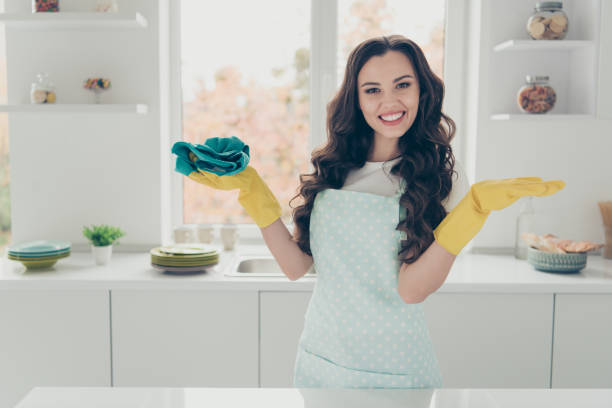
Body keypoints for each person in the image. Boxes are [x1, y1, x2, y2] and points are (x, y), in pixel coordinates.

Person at [179, 35, 565, 388]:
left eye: (402, 85)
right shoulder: (335, 166)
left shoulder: (441, 176)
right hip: (321, 359)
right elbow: (297, 267)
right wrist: (254, 192)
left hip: (395, 369)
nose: (389, 102)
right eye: (372, 90)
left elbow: (412, 290)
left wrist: (473, 211)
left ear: (421, 91)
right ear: (357, 99)